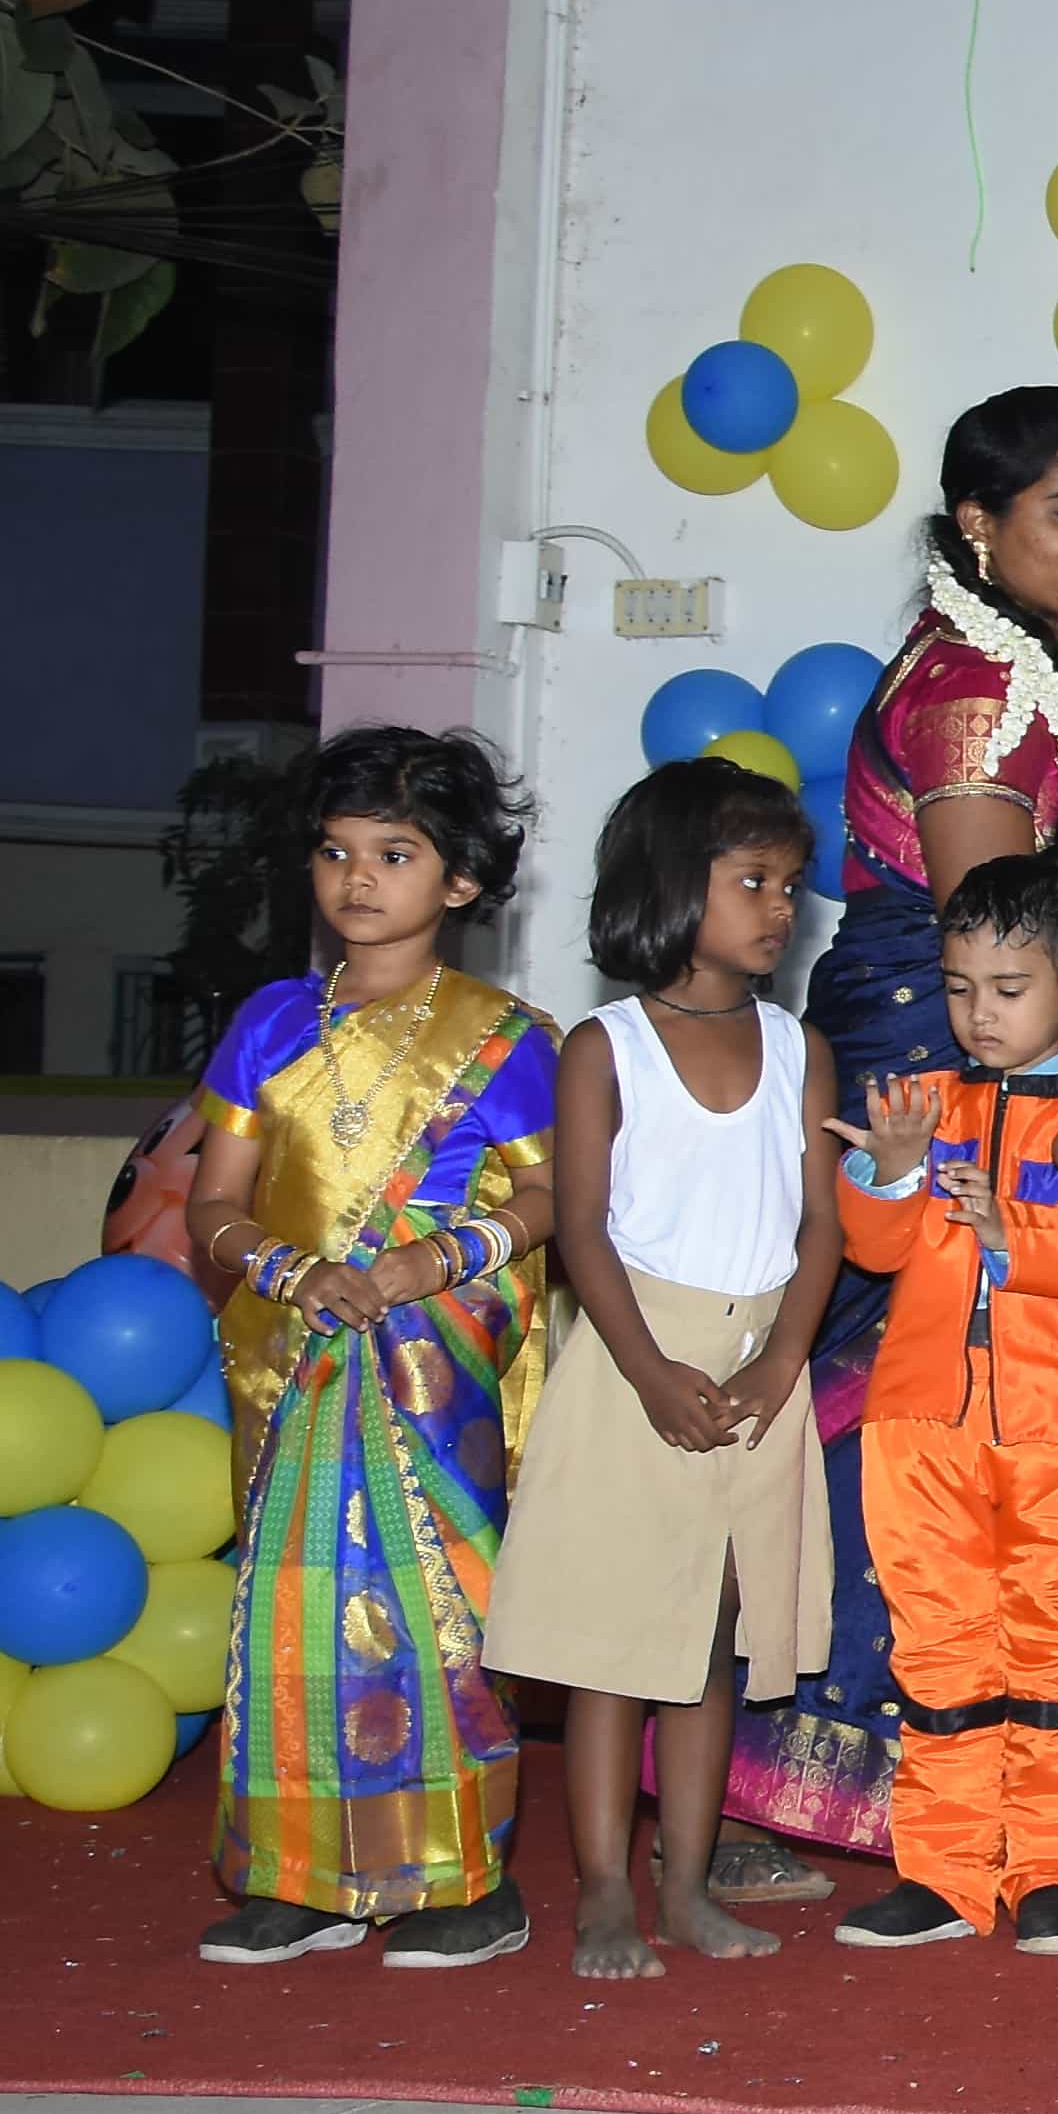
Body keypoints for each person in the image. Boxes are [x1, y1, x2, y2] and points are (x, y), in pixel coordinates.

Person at [741, 384, 1058, 1890]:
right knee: (929, 1395)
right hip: (954, 1049)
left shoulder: (1012, 665)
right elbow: (997, 937)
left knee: (1037, 1390)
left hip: (1015, 1028)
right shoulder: (975, 692)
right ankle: (847, 1780)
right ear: (979, 525)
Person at [186, 730, 563, 1971]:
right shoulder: (269, 1023)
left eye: (395, 854)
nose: (357, 878)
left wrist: (428, 1266)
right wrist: (293, 1273)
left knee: (434, 1615)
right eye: (336, 851)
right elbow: (214, 1202)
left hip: (430, 1370)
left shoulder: (507, 1037)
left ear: (462, 879)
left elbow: (556, 1202)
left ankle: (464, 1883)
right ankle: (299, 1878)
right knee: (290, 1612)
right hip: (299, 1354)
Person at [492, 757, 839, 1984]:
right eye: (752, 881)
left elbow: (821, 1224)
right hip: (637, 1362)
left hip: (760, 1368)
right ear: (671, 884)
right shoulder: (608, 1048)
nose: (779, 907)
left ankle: (685, 1887)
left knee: (713, 1640)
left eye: (790, 885)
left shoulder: (799, 1047)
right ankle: (603, 1891)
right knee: (617, 1644)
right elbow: (582, 1228)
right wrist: (644, 1367)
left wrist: (783, 1356)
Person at [826, 855, 1058, 1955]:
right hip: (920, 1422)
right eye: (961, 988)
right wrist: (890, 1174)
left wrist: (1016, 1232)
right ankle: (945, 1872)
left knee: (1056, 1648)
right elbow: (876, 1250)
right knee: (937, 1646)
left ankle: (1053, 1867)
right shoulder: (926, 1106)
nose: (980, 1013)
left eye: (1009, 988)